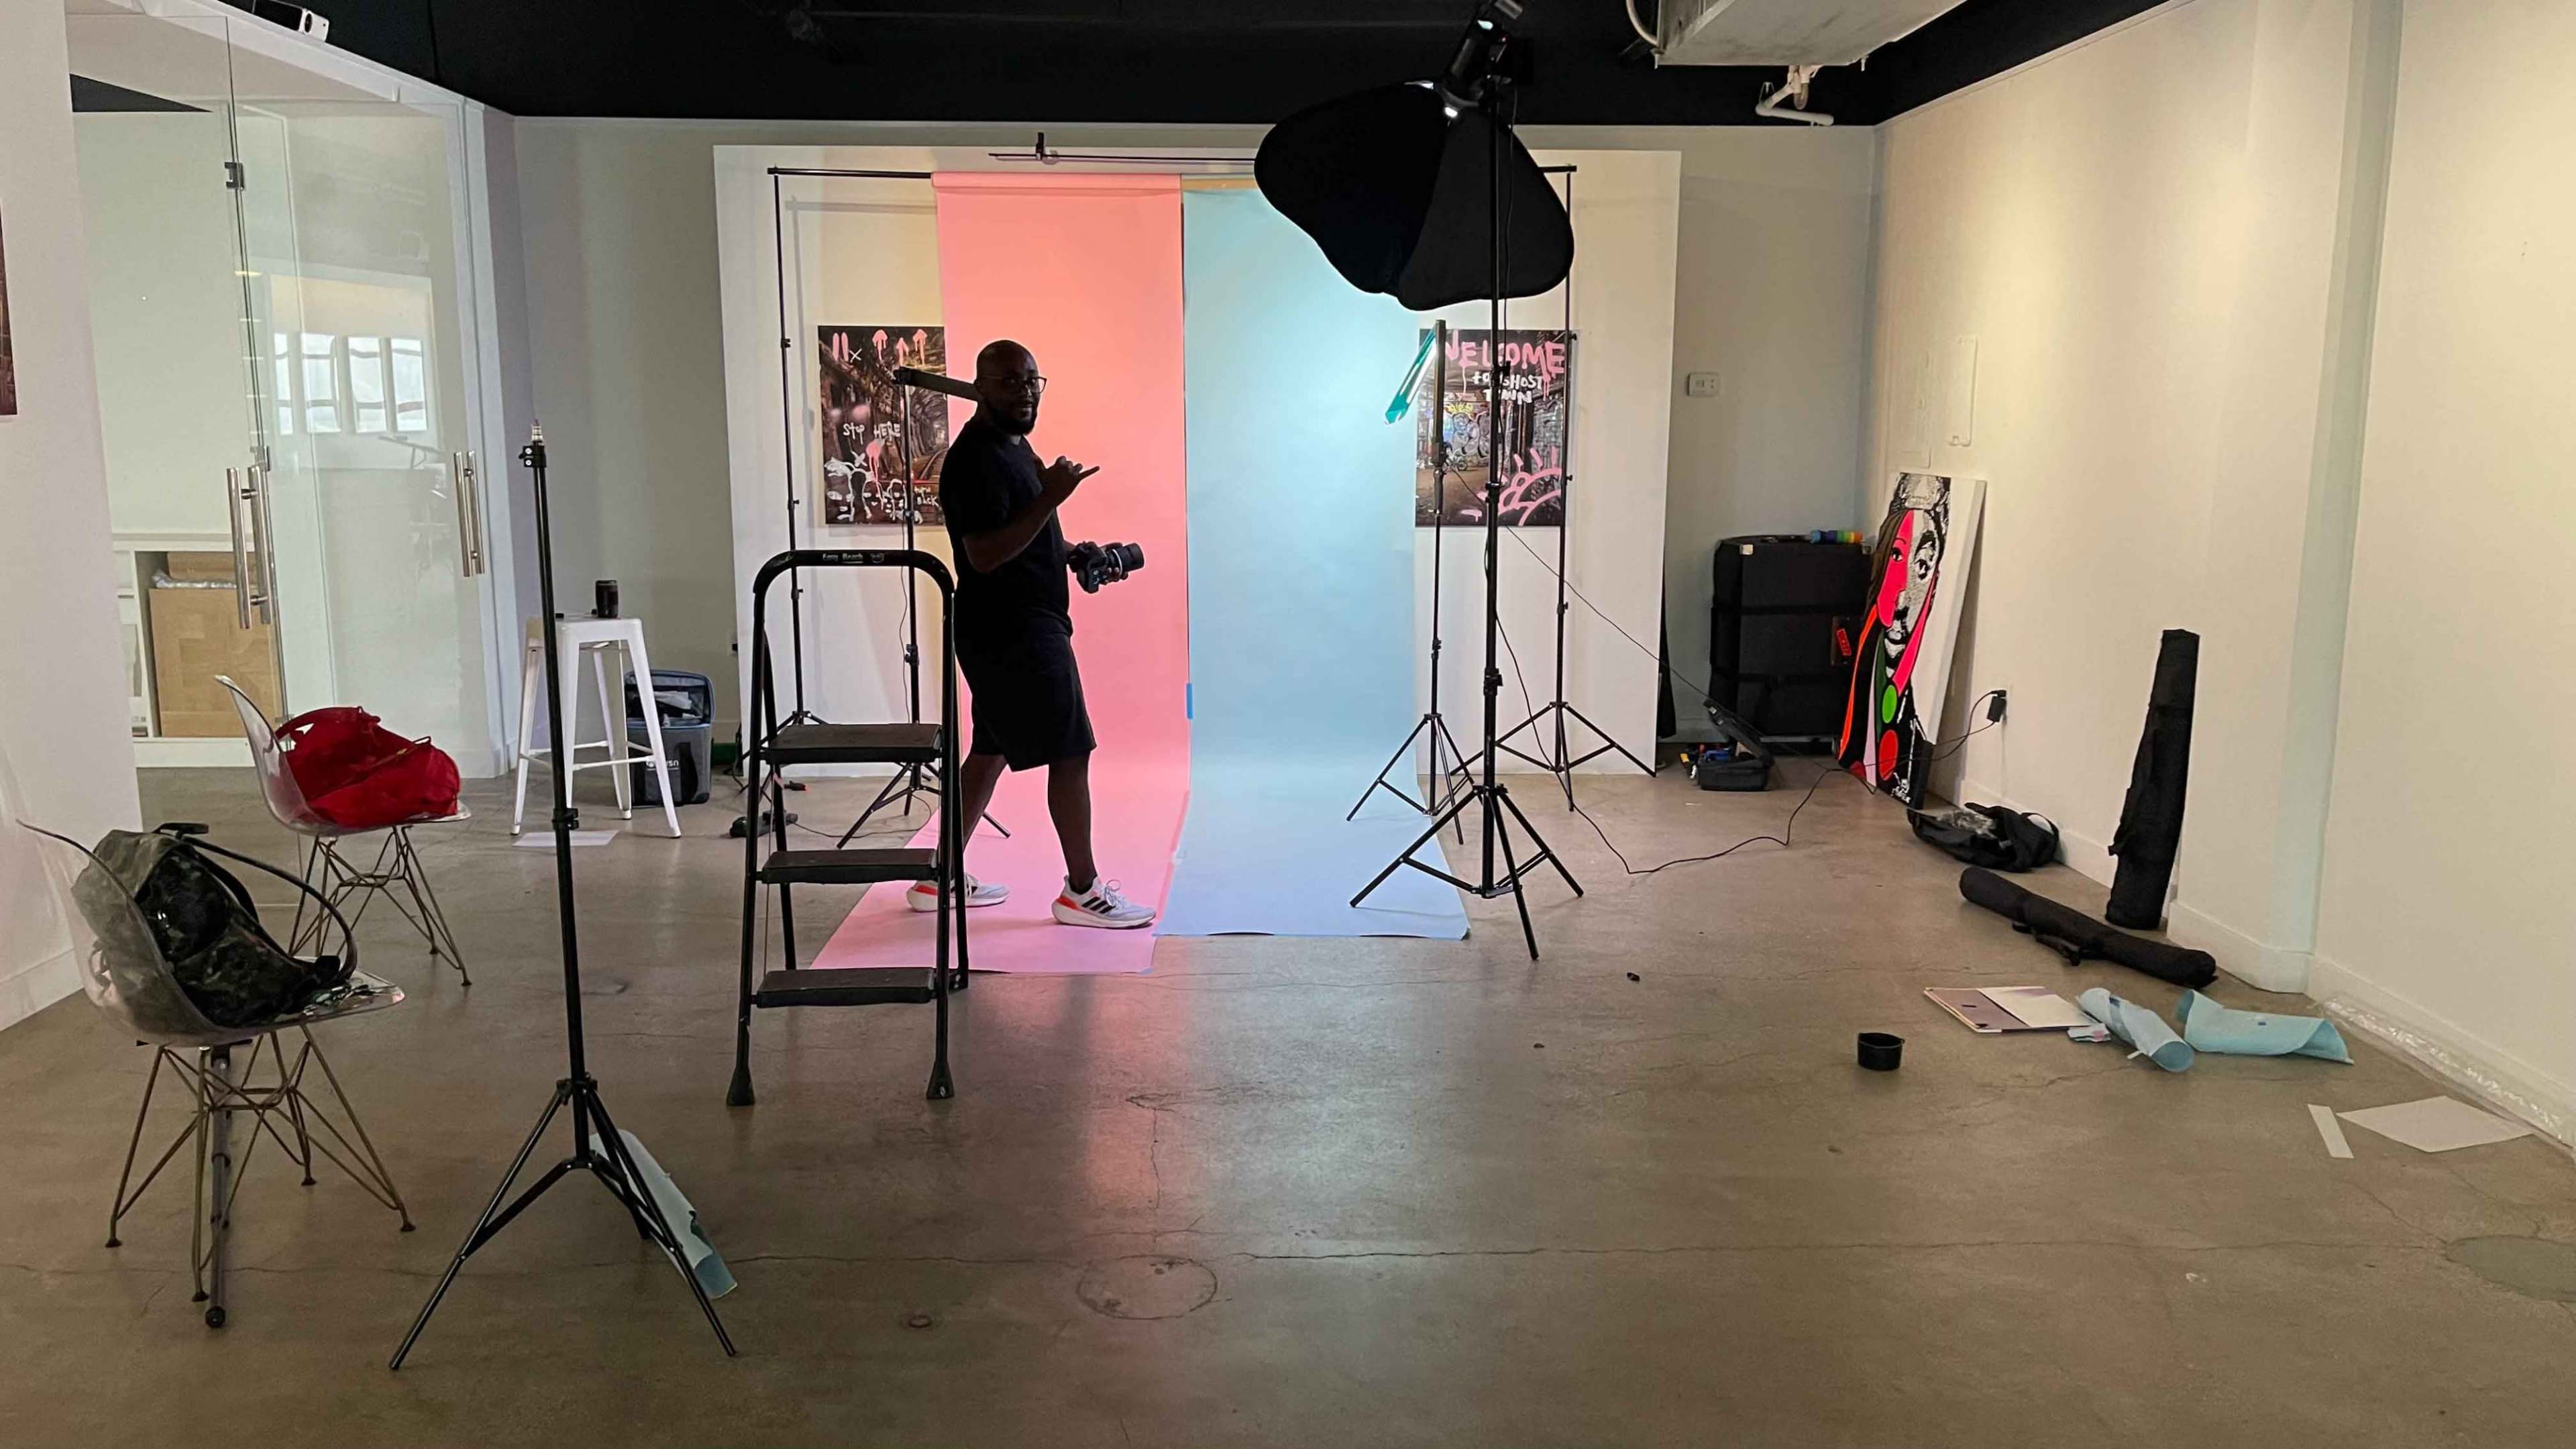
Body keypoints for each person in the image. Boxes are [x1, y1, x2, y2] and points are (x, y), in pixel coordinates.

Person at [912, 339, 1155, 928]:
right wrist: (1051, 495)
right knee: (1071, 750)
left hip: (1017, 625)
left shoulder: (1013, 447)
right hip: (1013, 631)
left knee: (988, 754)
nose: (1023, 392)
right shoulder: (974, 458)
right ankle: (1083, 890)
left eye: (1030, 381)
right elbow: (984, 554)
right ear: (980, 387)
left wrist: (1072, 553)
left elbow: (1023, 528)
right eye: (1008, 382)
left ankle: (941, 874)